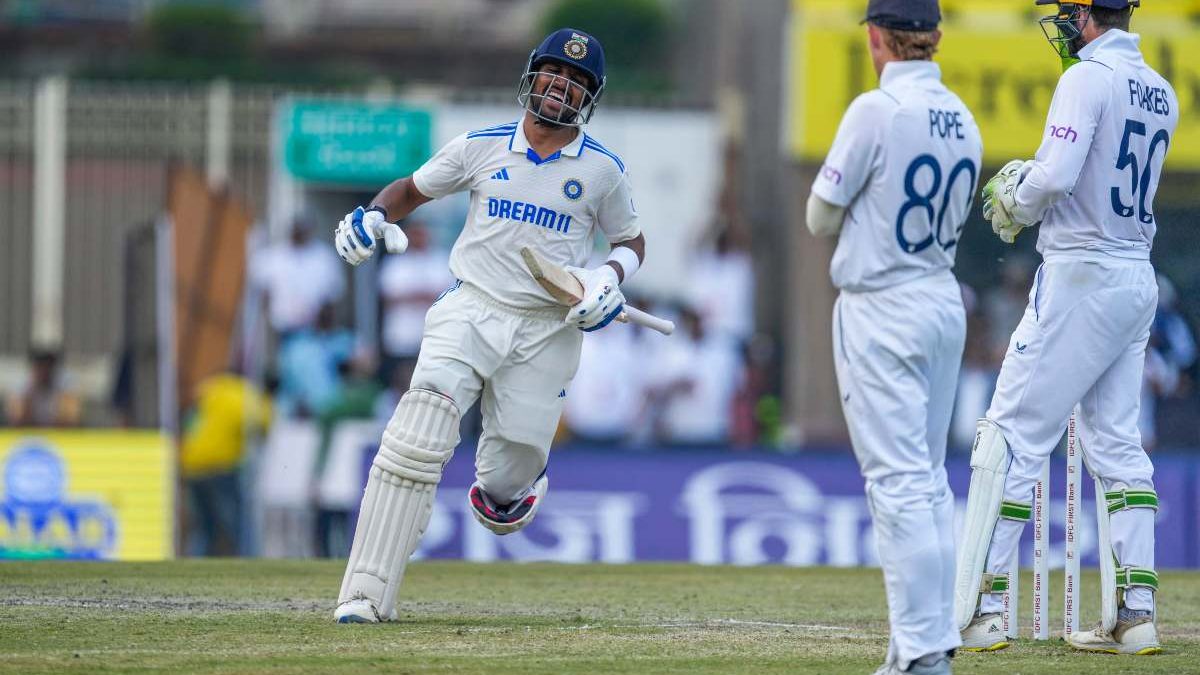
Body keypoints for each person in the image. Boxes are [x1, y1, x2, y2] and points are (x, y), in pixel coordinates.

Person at [329, 27, 645, 623]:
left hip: (548, 327)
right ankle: (365, 596)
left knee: (504, 482)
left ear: (590, 98)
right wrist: (373, 215)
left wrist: (608, 278)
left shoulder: (603, 171)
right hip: (471, 308)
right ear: (533, 74)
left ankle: (515, 485)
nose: (562, 86)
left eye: (577, 81)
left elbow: (631, 241)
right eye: (555, 71)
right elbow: (410, 191)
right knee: (417, 433)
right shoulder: (481, 146)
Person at [956, 0, 1177, 655]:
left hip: (1082, 271)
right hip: (1135, 275)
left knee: (1012, 435)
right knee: (1115, 442)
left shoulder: (1084, 77)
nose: (1060, 21)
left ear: (1085, 13)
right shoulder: (1160, 89)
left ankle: (980, 607)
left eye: (1067, 10)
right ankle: (1135, 614)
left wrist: (1017, 199)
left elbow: (1054, 175)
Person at [805, 1, 981, 672]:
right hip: (941, 296)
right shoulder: (962, 115)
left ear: (877, 38)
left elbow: (820, 216)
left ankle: (921, 651)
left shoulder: (874, 111)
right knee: (930, 480)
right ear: (933, 40)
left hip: (882, 303)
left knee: (899, 483)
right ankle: (925, 642)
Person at [4, 349, 82, 427]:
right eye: (40, 365)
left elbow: (71, 420)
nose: (44, 370)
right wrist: (29, 396)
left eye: (48, 365)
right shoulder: (23, 385)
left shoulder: (65, 385)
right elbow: (16, 420)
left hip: (57, 435)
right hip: (29, 435)